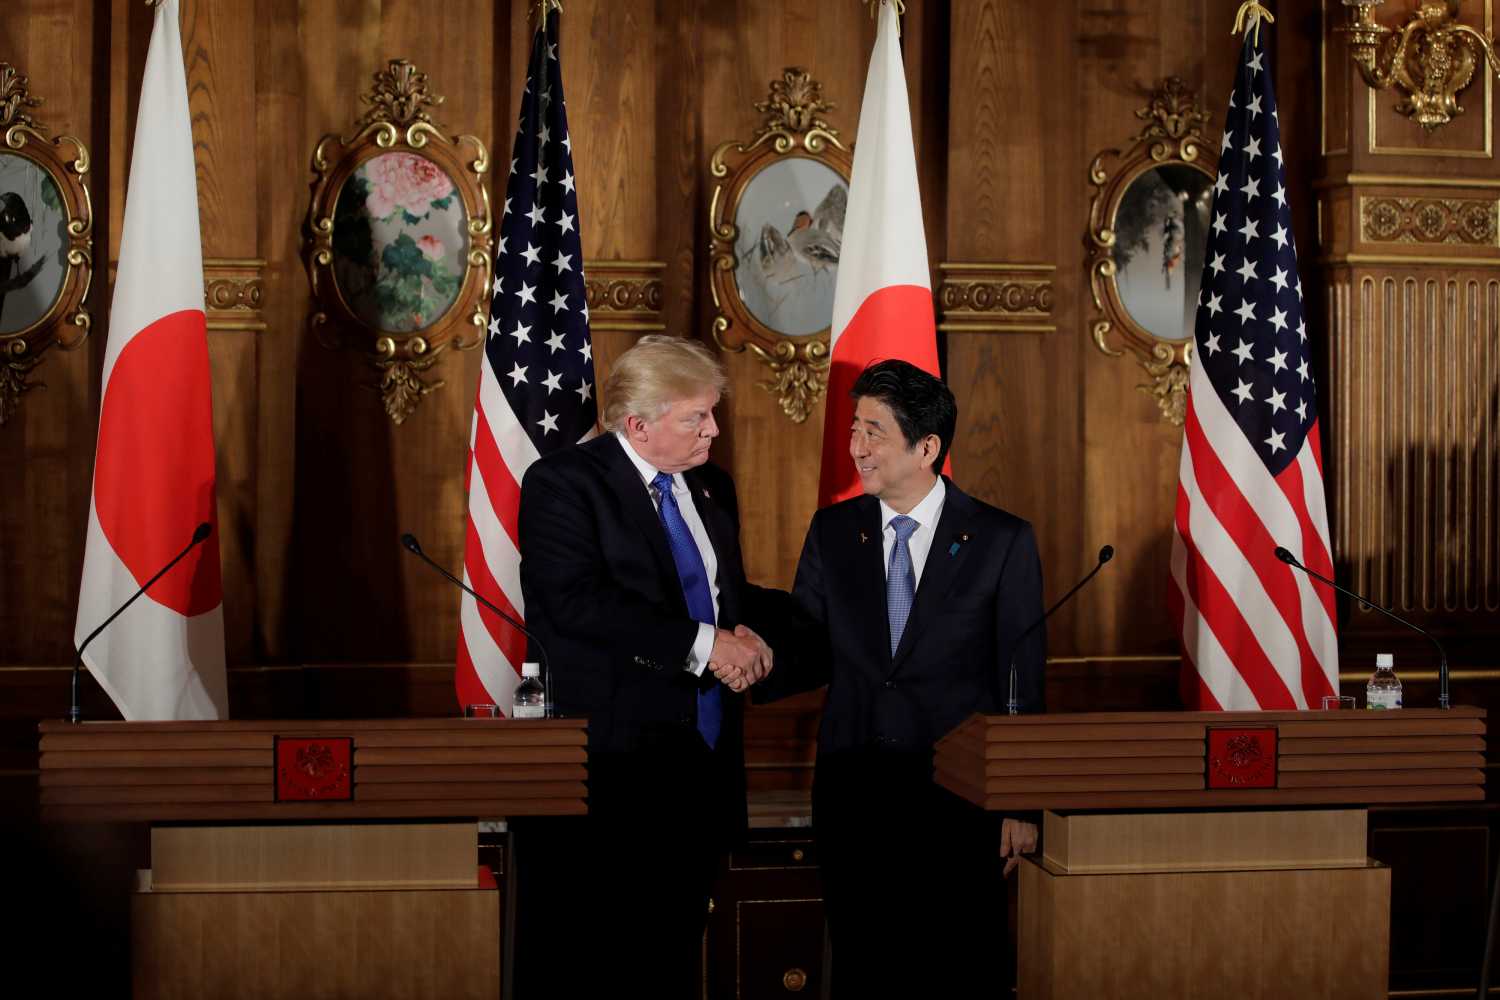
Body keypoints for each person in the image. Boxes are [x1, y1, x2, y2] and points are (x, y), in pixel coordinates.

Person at [514, 333, 786, 997]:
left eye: (712, 412)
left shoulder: (711, 487)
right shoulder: (563, 484)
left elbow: (728, 598)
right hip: (611, 771)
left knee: (673, 958)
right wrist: (706, 645)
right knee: (601, 965)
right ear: (638, 424)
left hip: (701, 761)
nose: (714, 430)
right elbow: (577, 604)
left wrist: (761, 638)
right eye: (698, 417)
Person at [788, 358, 1046, 997]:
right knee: (863, 970)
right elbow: (804, 644)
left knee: (960, 970)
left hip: (957, 799)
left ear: (927, 446)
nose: (855, 447)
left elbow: (1022, 680)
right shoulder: (833, 530)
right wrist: (728, 645)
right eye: (854, 429)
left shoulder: (999, 539)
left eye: (873, 431)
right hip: (854, 795)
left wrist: (1018, 803)